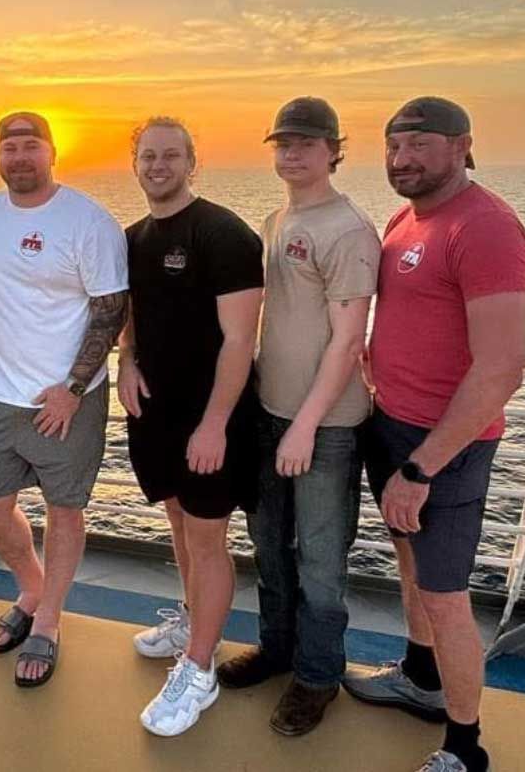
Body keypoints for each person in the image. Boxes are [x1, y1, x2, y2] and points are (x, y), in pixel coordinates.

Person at [343, 98, 525, 772]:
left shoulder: (487, 228)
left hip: (445, 445)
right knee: (410, 565)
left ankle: (464, 745)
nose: (402, 159)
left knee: (446, 595)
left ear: (463, 146)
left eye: (419, 144)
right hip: (391, 422)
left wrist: (421, 468)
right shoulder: (405, 219)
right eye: (393, 146)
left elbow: (502, 367)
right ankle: (420, 679)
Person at [215, 97, 380, 737]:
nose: (292, 152)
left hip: (326, 425)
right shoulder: (277, 216)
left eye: (307, 143)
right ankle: (278, 649)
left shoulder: (348, 229)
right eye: (283, 142)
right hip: (269, 412)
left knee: (319, 557)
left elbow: (347, 342)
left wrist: (308, 425)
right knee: (268, 546)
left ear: (335, 149)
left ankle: (317, 676)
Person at [0, 111, 128, 687]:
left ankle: (48, 619)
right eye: (10, 146)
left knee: (64, 508)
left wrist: (73, 389)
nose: (20, 156)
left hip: (64, 399)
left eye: (32, 145)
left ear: (52, 152)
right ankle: (32, 589)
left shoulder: (88, 221)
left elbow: (111, 311)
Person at [116, 117, 263, 736]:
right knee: (177, 520)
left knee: (207, 538)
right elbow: (131, 314)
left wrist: (215, 425)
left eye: (170, 155)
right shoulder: (133, 238)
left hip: (211, 417)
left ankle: (199, 669)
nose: (157, 165)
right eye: (148, 156)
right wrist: (124, 360)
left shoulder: (224, 233)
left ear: (192, 162)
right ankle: (190, 616)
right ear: (135, 164)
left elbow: (240, 339)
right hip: (157, 413)